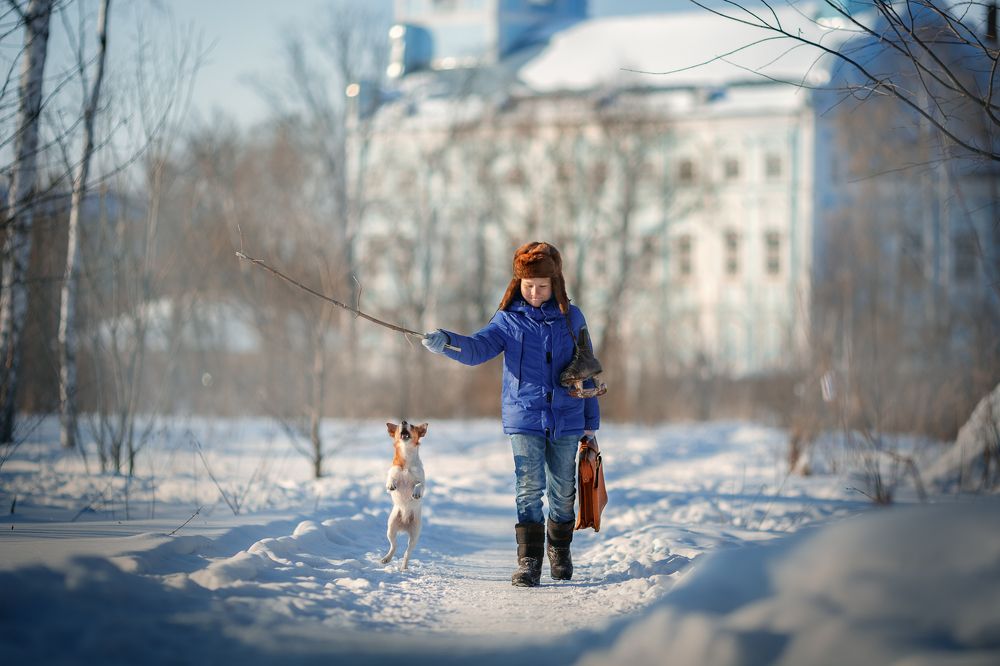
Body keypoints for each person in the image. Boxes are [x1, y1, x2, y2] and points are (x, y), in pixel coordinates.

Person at [421, 241, 601, 587]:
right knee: (528, 487)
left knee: (563, 491)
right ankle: (529, 560)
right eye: (528, 285)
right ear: (517, 283)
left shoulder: (572, 318)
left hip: (567, 415)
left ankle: (559, 550)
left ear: (556, 284)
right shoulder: (507, 320)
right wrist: (446, 341)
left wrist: (590, 423)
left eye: (542, 286)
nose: (534, 292)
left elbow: (587, 369)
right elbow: (476, 348)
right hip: (524, 415)